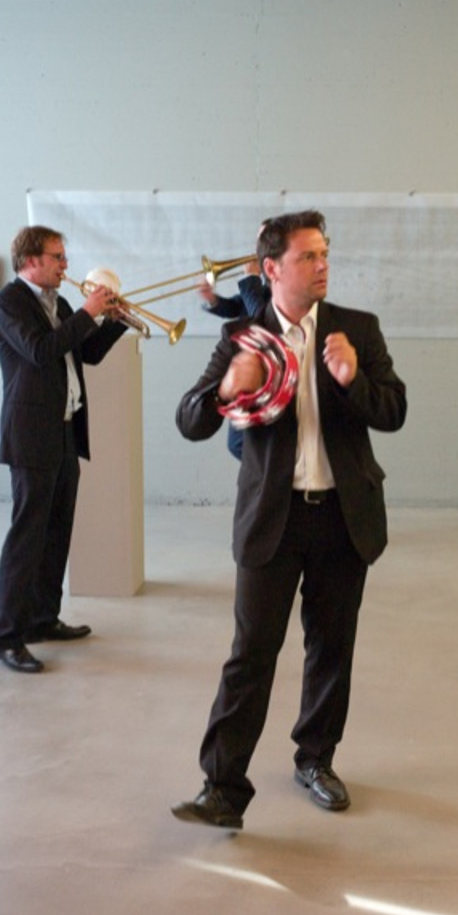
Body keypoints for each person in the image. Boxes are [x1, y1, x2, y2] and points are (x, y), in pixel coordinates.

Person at [171, 209, 407, 829]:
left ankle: (316, 760)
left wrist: (353, 379)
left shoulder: (356, 329)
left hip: (343, 518)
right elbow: (190, 419)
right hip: (272, 520)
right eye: (309, 256)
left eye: (325, 254)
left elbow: (394, 411)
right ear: (271, 268)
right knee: (251, 653)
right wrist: (227, 389)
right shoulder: (242, 338)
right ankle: (222, 788)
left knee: (331, 648)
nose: (322, 265)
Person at [0, 226, 129, 674]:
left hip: (66, 429)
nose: (65, 265)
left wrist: (115, 319)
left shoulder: (60, 304)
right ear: (31, 260)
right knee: (27, 538)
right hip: (31, 434)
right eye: (57, 257)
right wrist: (88, 312)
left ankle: (42, 619)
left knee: (57, 533)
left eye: (64, 257)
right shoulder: (10, 302)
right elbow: (40, 350)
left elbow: (87, 353)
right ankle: (5, 637)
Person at [198, 258, 269, 462]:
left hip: (265, 372)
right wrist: (212, 299)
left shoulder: (279, 291)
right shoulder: (261, 289)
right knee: (237, 443)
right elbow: (237, 306)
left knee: (240, 443)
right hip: (246, 369)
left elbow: (262, 321)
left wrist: (251, 278)